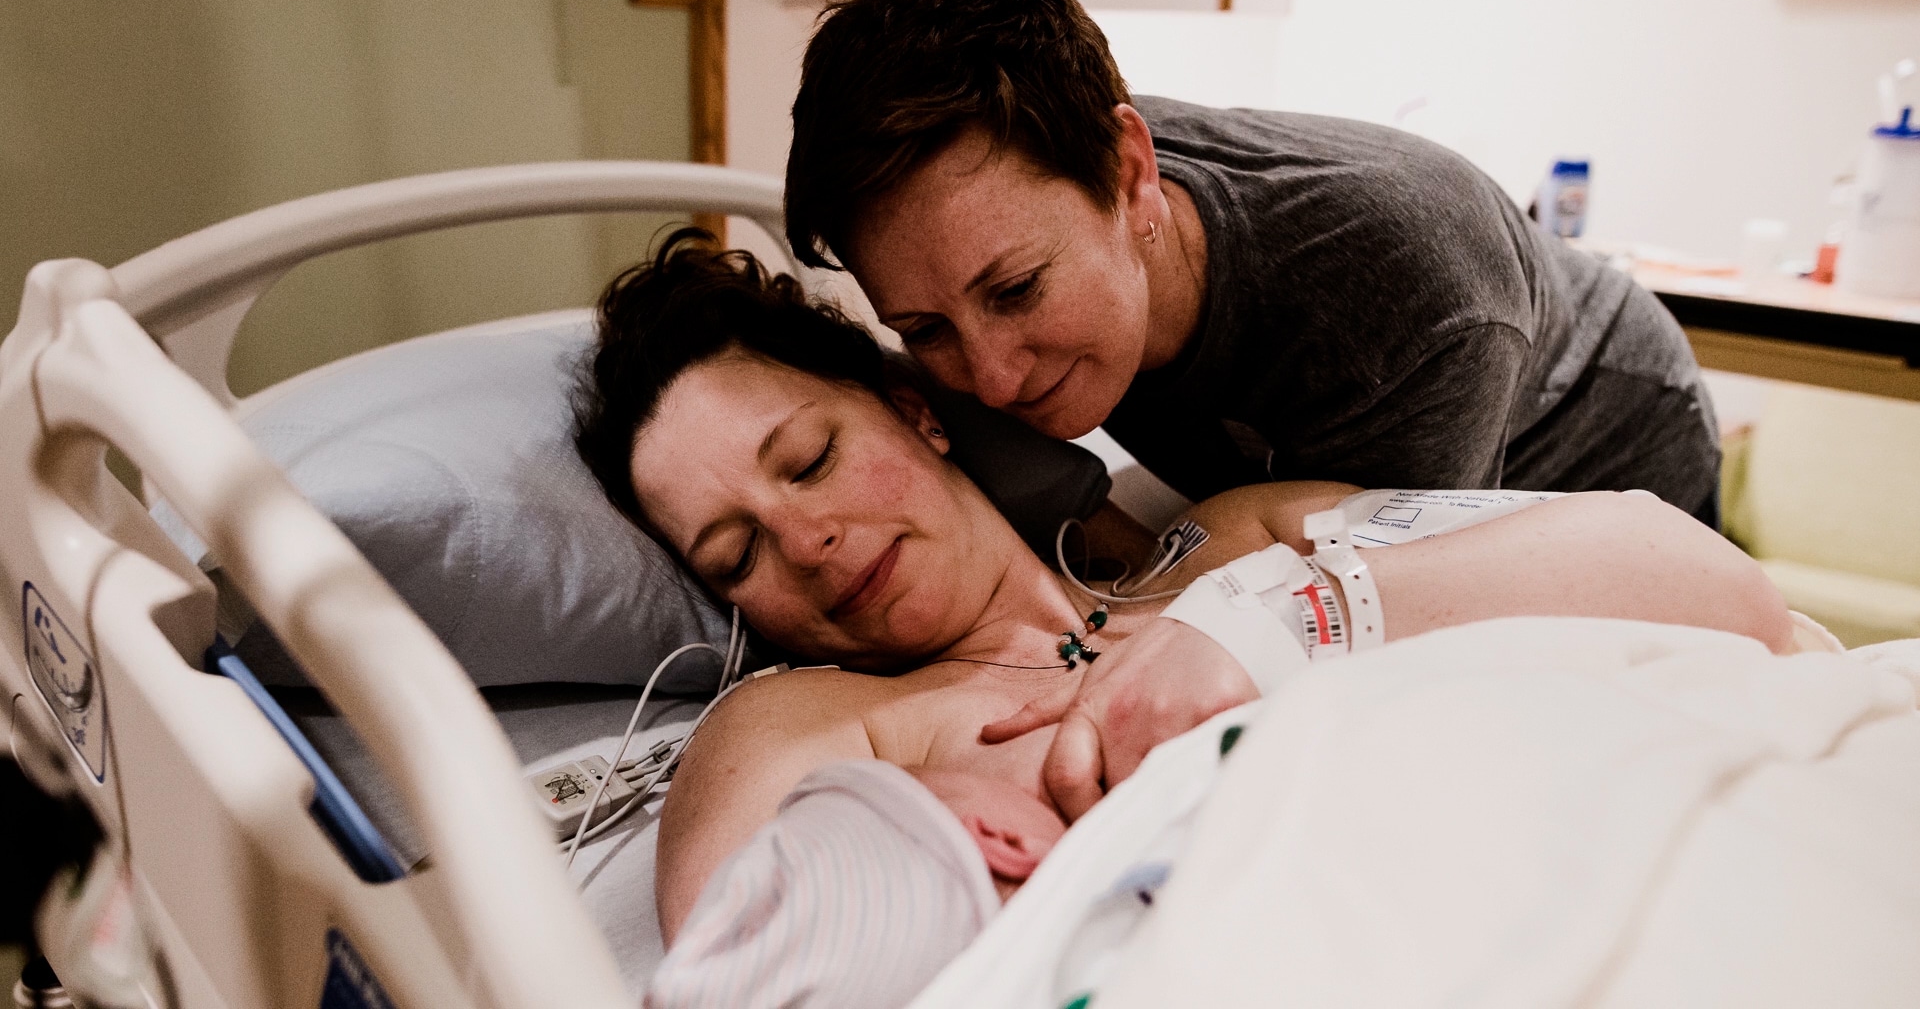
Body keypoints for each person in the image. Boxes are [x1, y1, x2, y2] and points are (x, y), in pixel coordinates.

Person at [571, 230, 1789, 946]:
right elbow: (763, 962)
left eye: (812, 460)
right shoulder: (803, 721)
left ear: (911, 412)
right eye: (738, 556)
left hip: (1630, 871)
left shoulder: (1225, 546)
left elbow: (1717, 592)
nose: (812, 542)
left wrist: (1272, 626)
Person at [780, 0, 1727, 781]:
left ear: (1131, 173)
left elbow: (1383, 622)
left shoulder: (1404, 297)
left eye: (1018, 290)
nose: (990, 380)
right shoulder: (1008, 192)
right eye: (926, 328)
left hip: (1599, 425)